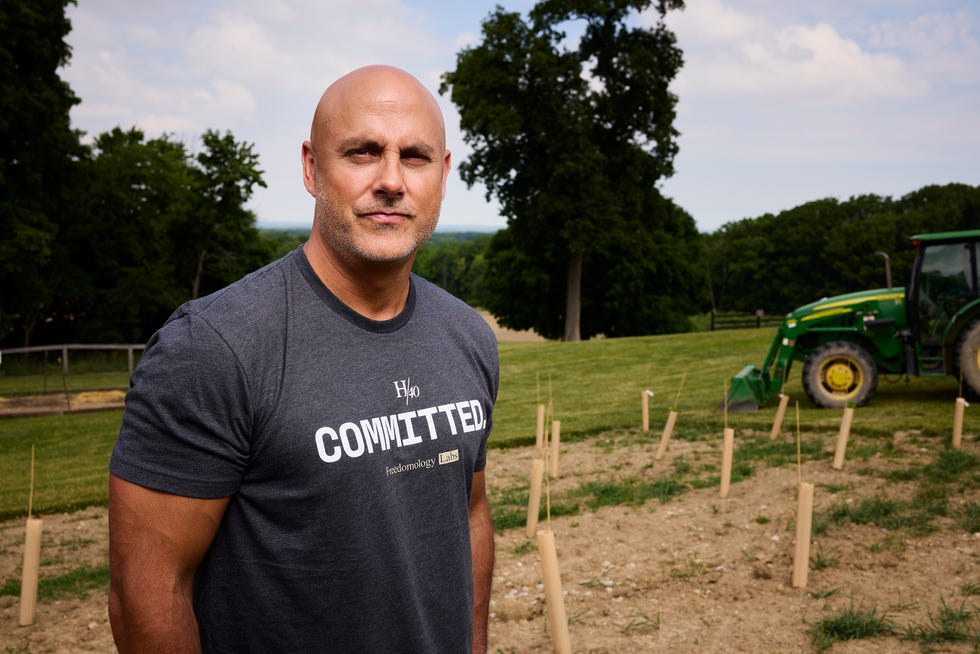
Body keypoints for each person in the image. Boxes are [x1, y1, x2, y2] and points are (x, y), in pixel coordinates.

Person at [107, 65, 498, 653]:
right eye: (363, 152)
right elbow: (148, 590)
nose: (391, 180)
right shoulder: (213, 348)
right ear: (312, 168)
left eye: (414, 157)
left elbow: (469, 516)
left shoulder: (468, 335)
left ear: (442, 174)